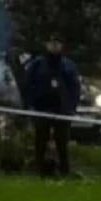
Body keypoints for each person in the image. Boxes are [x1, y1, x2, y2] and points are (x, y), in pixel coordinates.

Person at [24, 33, 80, 177]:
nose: (54, 46)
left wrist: (72, 107)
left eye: (57, 43)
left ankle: (64, 170)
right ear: (47, 45)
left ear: (62, 45)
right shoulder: (37, 64)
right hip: (42, 108)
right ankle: (40, 169)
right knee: (40, 140)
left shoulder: (68, 65)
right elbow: (28, 85)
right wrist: (30, 104)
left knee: (62, 142)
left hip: (62, 109)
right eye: (51, 43)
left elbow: (75, 87)